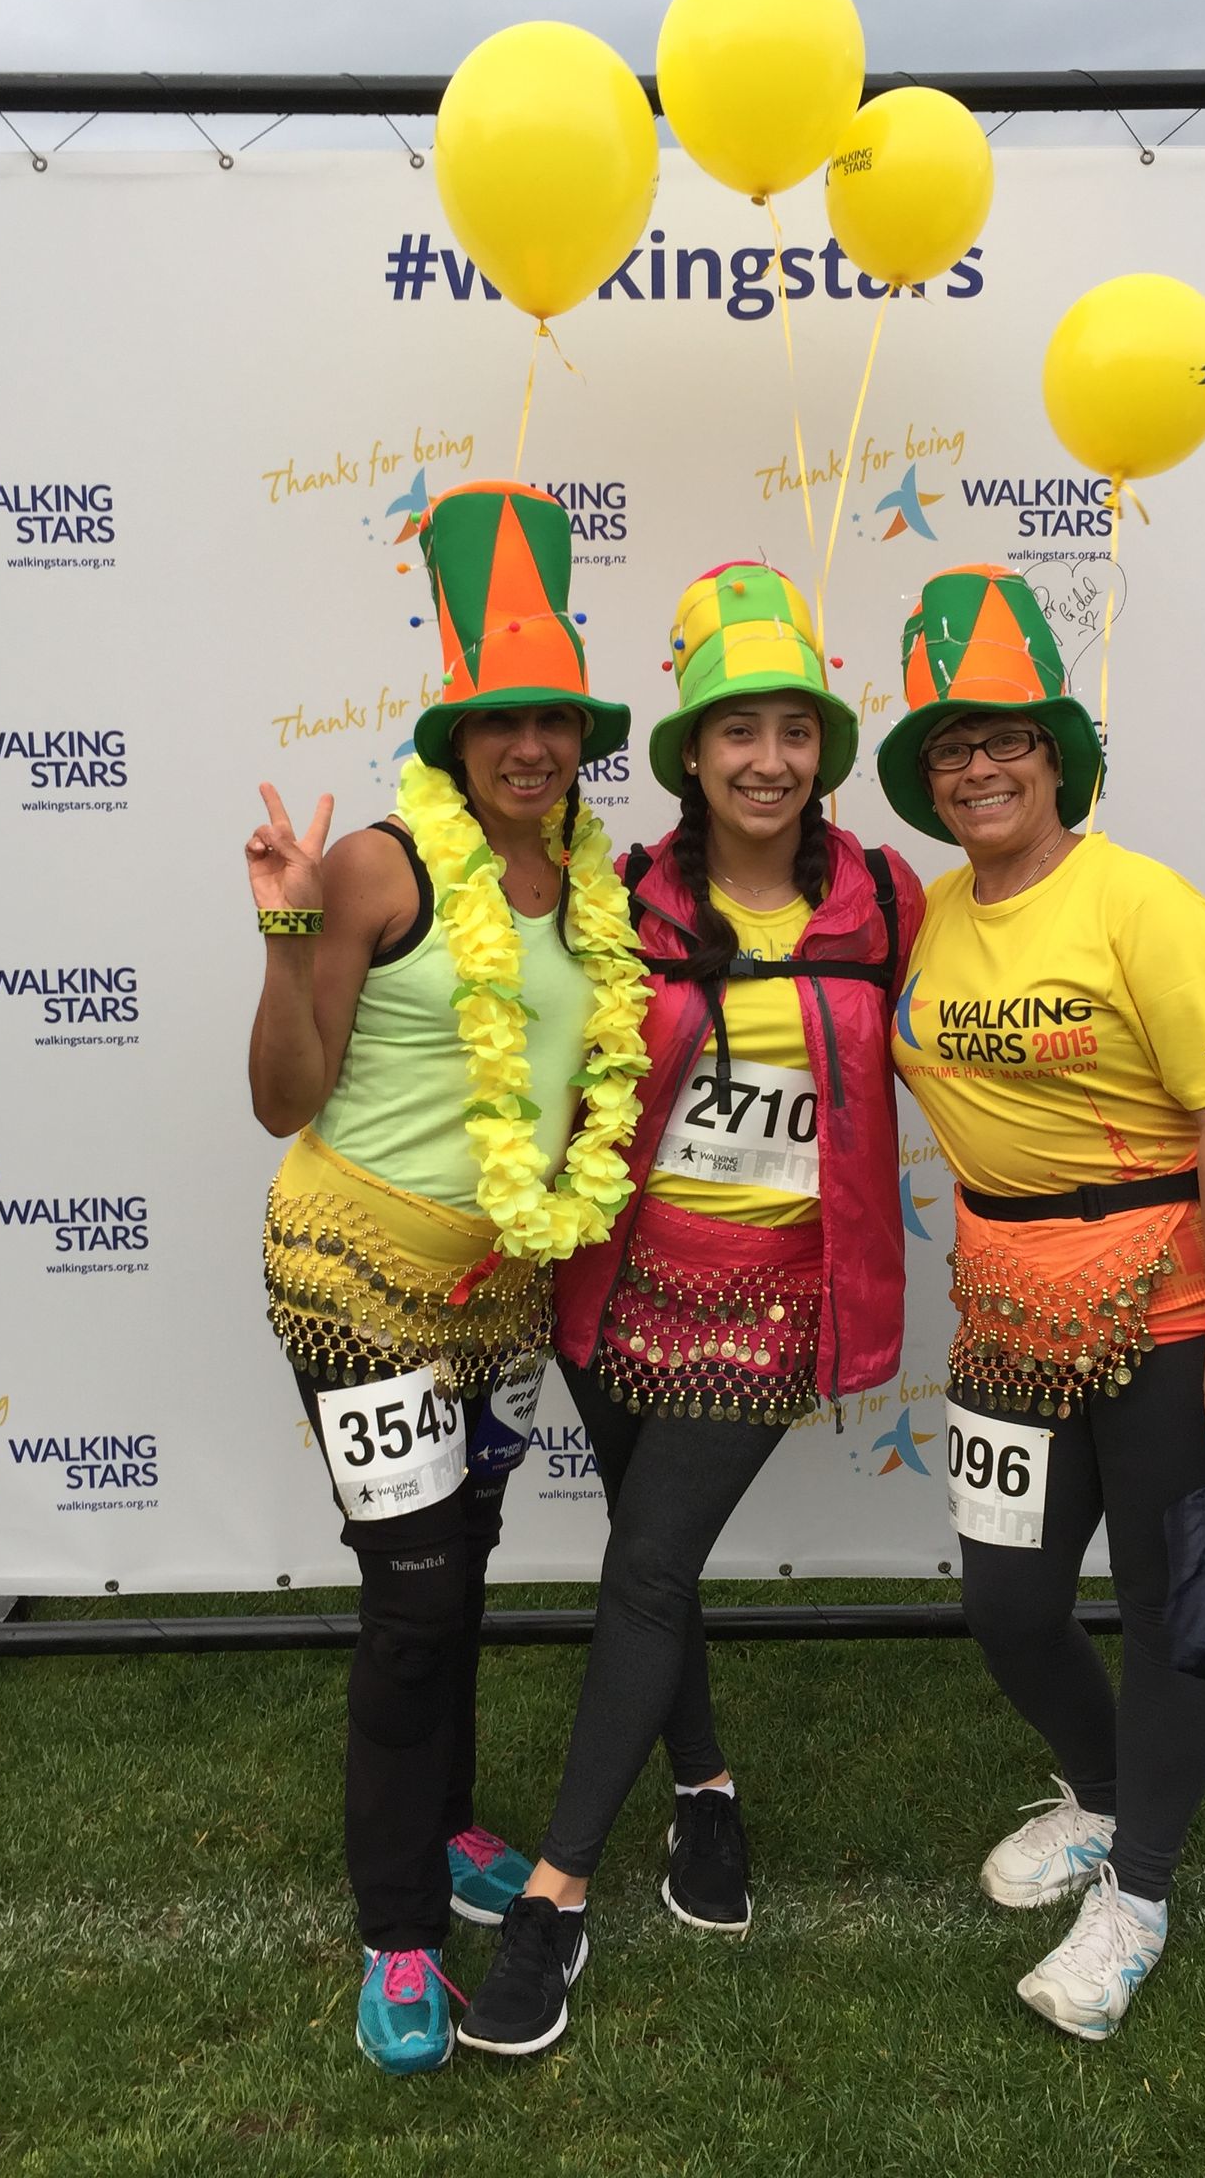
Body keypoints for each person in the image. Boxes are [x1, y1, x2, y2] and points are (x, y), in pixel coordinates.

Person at [458, 562, 924, 2058]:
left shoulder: (887, 898)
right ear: (691, 756)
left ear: (826, 753)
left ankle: (556, 1898)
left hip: (781, 1293)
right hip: (620, 1277)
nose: (768, 760)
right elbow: (516, 1014)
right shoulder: (628, 896)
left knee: (650, 1564)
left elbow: (991, 1039)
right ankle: (707, 1789)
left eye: (794, 730)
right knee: (645, 1557)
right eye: (738, 733)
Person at [245, 480, 647, 2076]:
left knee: (460, 1574)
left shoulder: (595, 888)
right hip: (351, 1276)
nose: (530, 748)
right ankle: (399, 1928)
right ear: (458, 734)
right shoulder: (377, 869)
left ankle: (454, 1818)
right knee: (414, 1607)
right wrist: (283, 938)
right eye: (501, 724)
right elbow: (286, 1096)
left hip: (498, 1300)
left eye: (554, 722)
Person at [876, 563, 1205, 2042]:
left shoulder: (1141, 902)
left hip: (1185, 1299)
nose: (979, 767)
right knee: (1007, 1600)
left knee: (1171, 1606)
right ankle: (1107, 1793)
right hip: (1011, 1307)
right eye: (950, 748)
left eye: (1005, 741)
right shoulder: (927, 919)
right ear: (927, 783)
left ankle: (1142, 1890)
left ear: (1057, 758)